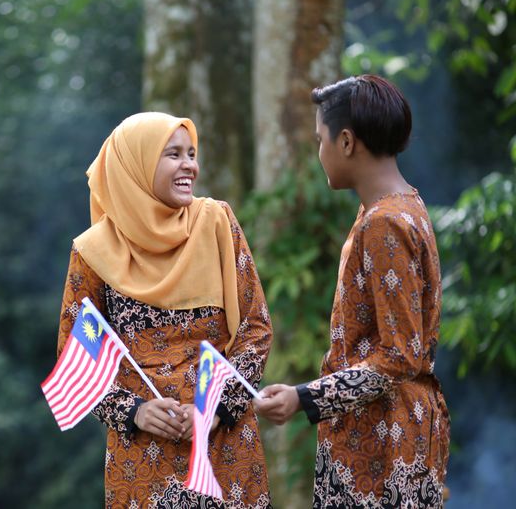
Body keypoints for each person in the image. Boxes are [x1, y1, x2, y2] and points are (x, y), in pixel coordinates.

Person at [55, 112, 273, 508]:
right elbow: (76, 353)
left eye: (191, 153)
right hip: (142, 458)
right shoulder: (92, 251)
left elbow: (255, 329)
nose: (190, 164)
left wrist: (216, 409)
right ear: (134, 166)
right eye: (172, 154)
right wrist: (134, 412)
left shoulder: (217, 221)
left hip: (224, 444)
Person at [253, 75, 450, 508]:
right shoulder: (403, 206)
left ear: (346, 142)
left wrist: (304, 397)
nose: (319, 151)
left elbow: (400, 355)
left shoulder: (384, 223)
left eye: (320, 139)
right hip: (384, 429)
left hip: (384, 442)